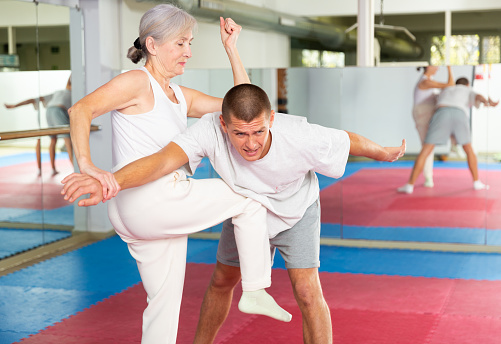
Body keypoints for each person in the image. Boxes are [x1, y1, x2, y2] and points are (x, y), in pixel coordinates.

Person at [62, 83, 406, 343]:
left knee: (306, 291)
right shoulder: (208, 130)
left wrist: (384, 153)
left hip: (296, 210)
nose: (251, 143)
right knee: (222, 281)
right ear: (224, 126)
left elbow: (347, 140)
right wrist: (111, 182)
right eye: (240, 133)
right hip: (247, 210)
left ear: (271, 119)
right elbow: (161, 161)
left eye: (259, 130)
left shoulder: (299, 135)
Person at [65, 5, 290, 344]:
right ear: (152, 45)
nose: (188, 52)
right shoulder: (137, 82)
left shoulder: (180, 97)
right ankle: (256, 288)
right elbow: (80, 109)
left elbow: (246, 105)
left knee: (163, 306)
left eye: (191, 43)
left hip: (138, 209)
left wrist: (232, 49)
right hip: (154, 200)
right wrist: (87, 166)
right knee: (251, 196)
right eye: (180, 43)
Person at [398, 77, 499, 194]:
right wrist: (487, 101)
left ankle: (410, 185)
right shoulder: (467, 89)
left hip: (442, 113)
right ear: (467, 84)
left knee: (426, 150)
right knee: (469, 150)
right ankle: (477, 182)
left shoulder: (446, 90)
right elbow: (478, 97)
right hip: (459, 113)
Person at [4, 75, 73, 175]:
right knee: (68, 142)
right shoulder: (73, 92)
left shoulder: (58, 93)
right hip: (58, 110)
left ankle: (53, 168)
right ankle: (76, 171)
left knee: (53, 140)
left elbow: (33, 100)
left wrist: (14, 106)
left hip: (49, 111)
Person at [411, 65, 454, 187]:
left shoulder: (428, 82)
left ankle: (427, 177)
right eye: (435, 65)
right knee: (427, 147)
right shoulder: (425, 82)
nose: (437, 67)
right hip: (422, 115)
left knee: (429, 146)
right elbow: (450, 84)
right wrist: (449, 68)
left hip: (426, 115)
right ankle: (426, 177)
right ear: (428, 67)